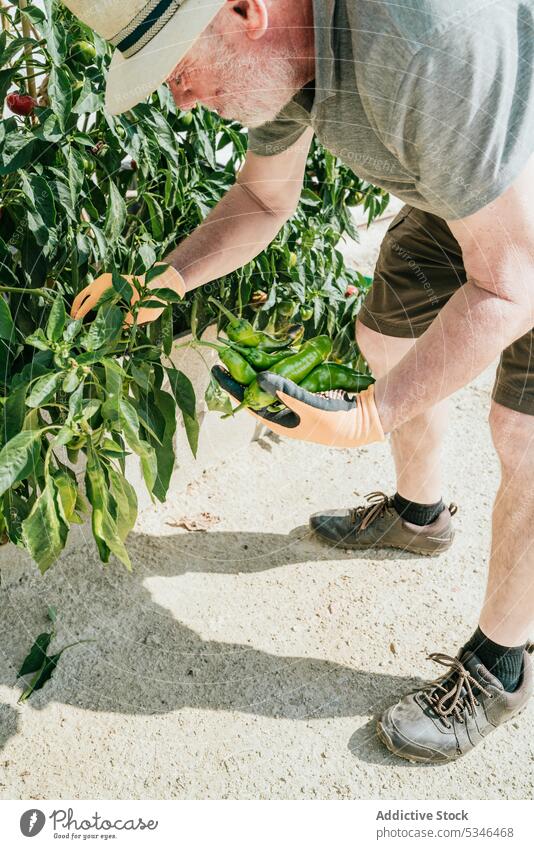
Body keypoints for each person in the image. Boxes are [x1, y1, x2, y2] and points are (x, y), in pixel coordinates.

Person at [65, 0, 534, 763]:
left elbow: (512, 282)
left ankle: (499, 665)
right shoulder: (284, 58)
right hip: (467, 173)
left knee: (524, 434)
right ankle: (421, 516)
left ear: (247, 10)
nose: (178, 97)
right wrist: (164, 282)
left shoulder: (422, 45)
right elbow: (261, 200)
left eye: (180, 66)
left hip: (518, 187)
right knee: (387, 334)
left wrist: (368, 415)